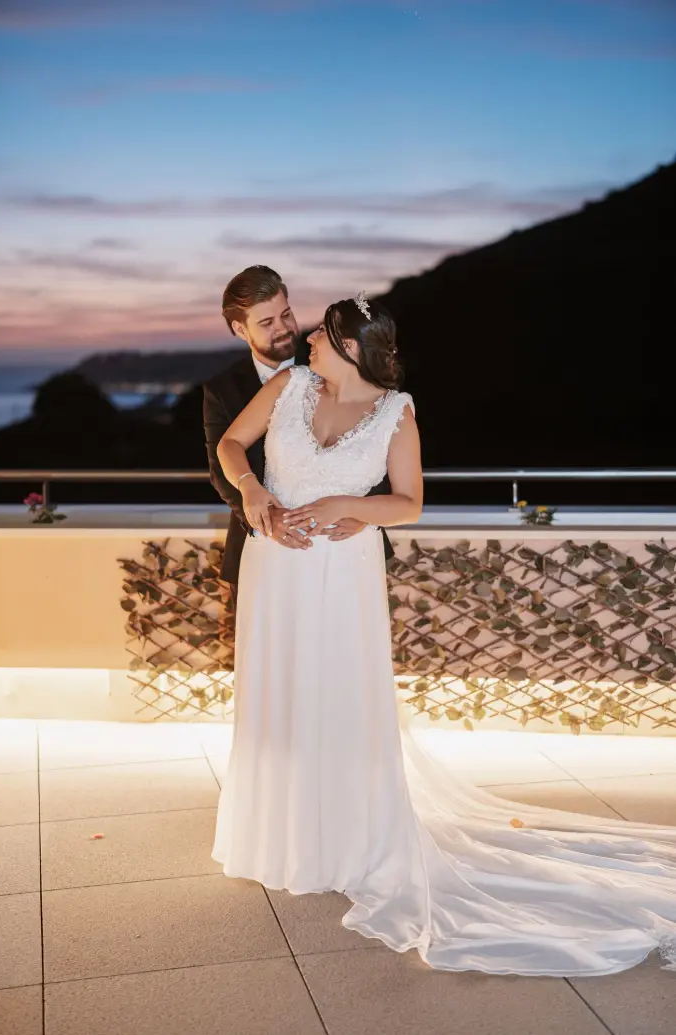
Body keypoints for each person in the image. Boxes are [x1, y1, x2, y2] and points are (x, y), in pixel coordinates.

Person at [212, 291, 676, 978]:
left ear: (348, 347)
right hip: (275, 567)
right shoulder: (288, 387)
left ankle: (344, 839)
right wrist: (253, 491)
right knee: (276, 693)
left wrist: (350, 504)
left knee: (339, 696)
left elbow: (409, 502)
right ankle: (275, 835)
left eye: (321, 335)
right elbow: (229, 445)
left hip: (343, 574)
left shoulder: (396, 412)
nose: (306, 340)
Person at [202, 266, 393, 607]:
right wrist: (265, 518)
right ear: (240, 329)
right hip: (263, 547)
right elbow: (221, 466)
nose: (284, 328)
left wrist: (365, 513)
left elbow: (379, 439)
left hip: (345, 546)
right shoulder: (221, 389)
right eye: (267, 322)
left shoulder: (334, 357)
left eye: (286, 314)